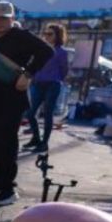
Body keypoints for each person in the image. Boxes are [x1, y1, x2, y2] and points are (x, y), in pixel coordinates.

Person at [0, 2, 53, 206]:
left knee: (7, 143)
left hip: (13, 100)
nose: (0, 22)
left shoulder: (21, 36)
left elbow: (47, 51)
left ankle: (8, 188)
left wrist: (28, 74)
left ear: (12, 18)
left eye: (4, 18)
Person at [23, 24, 70, 155]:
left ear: (58, 36)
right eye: (45, 33)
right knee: (30, 113)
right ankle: (36, 139)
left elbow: (64, 69)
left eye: (50, 34)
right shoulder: (40, 49)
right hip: (37, 83)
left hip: (52, 85)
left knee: (47, 114)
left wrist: (56, 79)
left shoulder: (61, 52)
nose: (46, 36)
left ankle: (44, 143)